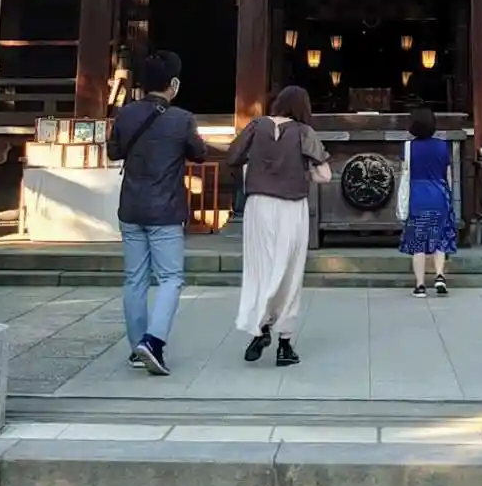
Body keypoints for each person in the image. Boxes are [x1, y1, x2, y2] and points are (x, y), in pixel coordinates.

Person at [109, 49, 212, 378]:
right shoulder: (181, 119)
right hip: (165, 208)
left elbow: (113, 152)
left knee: (134, 279)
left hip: (131, 206)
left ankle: (136, 345)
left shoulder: (126, 114)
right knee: (170, 278)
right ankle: (153, 342)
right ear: (174, 83)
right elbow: (199, 153)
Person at [227, 86, 329, 368]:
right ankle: (285, 344)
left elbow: (233, 156)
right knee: (289, 272)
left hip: (258, 205)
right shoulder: (304, 132)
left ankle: (260, 327)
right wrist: (304, 169)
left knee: (260, 269)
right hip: (291, 207)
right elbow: (325, 175)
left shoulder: (256, 125)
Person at [399, 105, 457, 296]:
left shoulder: (408, 147)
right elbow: (448, 175)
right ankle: (440, 276)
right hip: (439, 194)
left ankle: (420, 285)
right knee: (440, 238)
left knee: (418, 241)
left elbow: (405, 173)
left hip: (417, 196)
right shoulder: (442, 146)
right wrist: (448, 195)